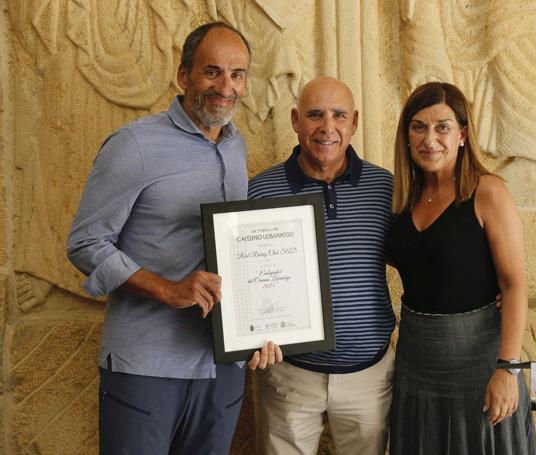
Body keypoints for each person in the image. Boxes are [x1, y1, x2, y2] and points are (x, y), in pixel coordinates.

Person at [67, 22, 280, 455]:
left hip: (222, 366)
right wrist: (167, 289)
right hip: (148, 364)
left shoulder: (236, 147)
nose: (226, 86)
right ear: (184, 76)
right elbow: (86, 243)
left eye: (237, 74)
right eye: (212, 72)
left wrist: (265, 323)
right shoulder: (135, 145)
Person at [387, 82, 536, 454]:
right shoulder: (401, 198)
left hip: (481, 366)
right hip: (416, 364)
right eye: (418, 126)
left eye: (442, 127)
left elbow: (515, 284)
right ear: (406, 135)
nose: (429, 139)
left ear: (462, 135)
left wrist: (509, 369)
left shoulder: (487, 192)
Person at [248, 77, 396, 455]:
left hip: (370, 374)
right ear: (296, 120)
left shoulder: (387, 189)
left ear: (355, 122)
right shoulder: (259, 191)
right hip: (288, 374)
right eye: (315, 115)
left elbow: (424, 258)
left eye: (339, 115)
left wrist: (477, 291)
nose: (327, 127)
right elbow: (243, 281)